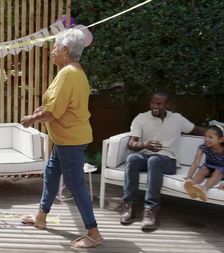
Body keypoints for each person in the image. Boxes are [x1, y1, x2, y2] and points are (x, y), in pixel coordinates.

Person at [20, 28, 103, 249]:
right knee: (51, 174)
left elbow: (53, 112)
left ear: (65, 50)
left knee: (75, 186)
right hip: (65, 138)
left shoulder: (68, 73)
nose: (52, 51)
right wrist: (43, 108)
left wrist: (31, 118)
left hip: (70, 140)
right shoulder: (73, 71)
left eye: (55, 47)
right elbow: (60, 104)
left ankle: (94, 233)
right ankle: (40, 217)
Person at [120, 91, 206, 231]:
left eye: (159, 104)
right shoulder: (141, 118)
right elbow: (131, 144)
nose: (155, 106)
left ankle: (150, 210)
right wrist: (145, 144)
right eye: (153, 102)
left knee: (154, 160)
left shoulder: (177, 119)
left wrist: (219, 132)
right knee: (132, 158)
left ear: (168, 105)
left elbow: (196, 129)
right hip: (145, 157)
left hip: (168, 160)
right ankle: (129, 206)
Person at [183, 124, 224, 201]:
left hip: (222, 170)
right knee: (203, 169)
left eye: (210, 137)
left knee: (218, 172)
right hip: (209, 166)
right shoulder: (203, 147)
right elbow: (196, 163)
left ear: (221, 139)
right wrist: (189, 177)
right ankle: (192, 186)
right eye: (205, 136)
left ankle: (204, 189)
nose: (206, 139)